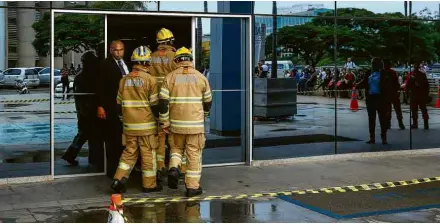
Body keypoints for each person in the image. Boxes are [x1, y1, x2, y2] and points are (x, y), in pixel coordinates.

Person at [159, 47, 212, 197]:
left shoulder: (170, 77)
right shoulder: (201, 77)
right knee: (193, 155)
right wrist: (204, 115)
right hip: (195, 126)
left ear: (176, 61)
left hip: (176, 125)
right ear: (190, 60)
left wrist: (165, 122)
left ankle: (174, 168)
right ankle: (192, 187)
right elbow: (208, 101)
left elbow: (163, 102)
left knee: (176, 150)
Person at [111, 46, 161, 193]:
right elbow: (155, 106)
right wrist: (161, 121)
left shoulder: (123, 80)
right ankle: (149, 185)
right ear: (146, 63)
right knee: (148, 154)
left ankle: (117, 180)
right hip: (146, 126)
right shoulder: (150, 80)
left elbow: (118, 105)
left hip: (129, 126)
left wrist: (123, 121)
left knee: (128, 154)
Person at [61, 51, 104, 169]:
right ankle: (75, 156)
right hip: (87, 111)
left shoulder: (83, 76)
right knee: (88, 136)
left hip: (85, 111)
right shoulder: (85, 76)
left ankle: (72, 156)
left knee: (84, 136)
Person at [96, 40, 130, 178]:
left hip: (126, 107)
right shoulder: (104, 65)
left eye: (121, 50)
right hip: (110, 106)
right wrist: (100, 106)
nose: (119, 52)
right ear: (110, 50)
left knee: (123, 140)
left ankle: (123, 170)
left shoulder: (126, 63)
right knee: (113, 140)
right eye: (116, 50)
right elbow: (99, 87)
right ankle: (112, 171)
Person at [149, 28, 179, 180]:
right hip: (171, 100)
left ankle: (160, 167)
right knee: (173, 136)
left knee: (159, 136)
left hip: (155, 100)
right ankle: (175, 167)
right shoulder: (174, 56)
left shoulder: (151, 56)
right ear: (170, 41)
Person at [355, 58, 390, 145]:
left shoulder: (384, 73)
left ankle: (384, 137)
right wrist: (355, 85)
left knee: (382, 119)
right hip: (370, 98)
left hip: (381, 98)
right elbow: (364, 82)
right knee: (371, 119)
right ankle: (372, 137)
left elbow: (388, 85)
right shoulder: (368, 73)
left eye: (373, 64)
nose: (372, 65)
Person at [405, 62, 430, 130]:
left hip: (414, 95)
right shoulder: (422, 75)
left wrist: (407, 95)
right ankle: (425, 124)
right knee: (423, 110)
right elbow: (427, 86)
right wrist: (426, 94)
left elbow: (407, 86)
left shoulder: (411, 75)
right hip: (420, 95)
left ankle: (416, 124)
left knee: (415, 110)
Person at [383, 59, 405, 130]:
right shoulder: (393, 72)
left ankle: (389, 123)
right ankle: (400, 123)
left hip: (388, 93)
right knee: (396, 109)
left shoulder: (384, 73)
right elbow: (397, 83)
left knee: (389, 109)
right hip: (393, 93)